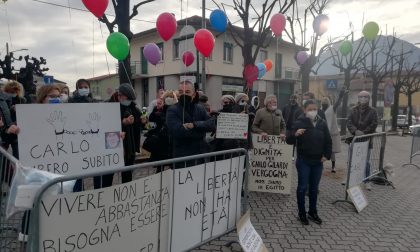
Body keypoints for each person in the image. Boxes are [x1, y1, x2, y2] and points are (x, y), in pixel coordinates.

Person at [286, 99, 332, 225]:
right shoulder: (299, 122)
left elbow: (328, 141)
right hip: (304, 161)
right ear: (305, 110)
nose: (313, 111)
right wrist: (295, 134)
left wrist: (326, 155)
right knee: (302, 188)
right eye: (310, 109)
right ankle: (302, 212)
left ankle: (312, 211)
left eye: (315, 109)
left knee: (313, 188)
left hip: (318, 162)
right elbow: (288, 140)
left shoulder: (321, 122)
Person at [166, 81, 215, 166]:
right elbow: (177, 131)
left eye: (187, 92)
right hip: (183, 158)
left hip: (201, 156)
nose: (184, 94)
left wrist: (195, 125)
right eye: (181, 92)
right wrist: (201, 130)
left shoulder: (200, 108)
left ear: (194, 94)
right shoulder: (172, 109)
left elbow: (212, 124)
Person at [346, 90, 378, 190]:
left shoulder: (373, 111)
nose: (363, 99)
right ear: (358, 98)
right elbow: (349, 121)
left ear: (369, 99)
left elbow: (374, 123)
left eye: (365, 97)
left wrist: (364, 132)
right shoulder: (353, 109)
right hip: (355, 139)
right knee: (352, 160)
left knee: (366, 161)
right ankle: (349, 178)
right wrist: (355, 131)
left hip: (366, 139)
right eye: (361, 97)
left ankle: (366, 180)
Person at [321, 88, 346, 173]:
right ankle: (321, 165)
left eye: (325, 102)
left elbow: (337, 103)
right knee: (321, 149)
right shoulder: (320, 111)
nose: (324, 104)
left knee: (332, 151)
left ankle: (333, 166)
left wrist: (340, 96)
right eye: (323, 102)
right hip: (323, 133)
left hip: (331, 133)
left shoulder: (332, 109)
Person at [2, 80, 26, 158]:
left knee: (17, 154)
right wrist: (11, 109)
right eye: (9, 91)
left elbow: (25, 114)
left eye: (13, 92)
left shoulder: (22, 100)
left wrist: (19, 110)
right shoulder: (3, 99)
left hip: (17, 129)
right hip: (5, 129)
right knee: (3, 151)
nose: (11, 94)